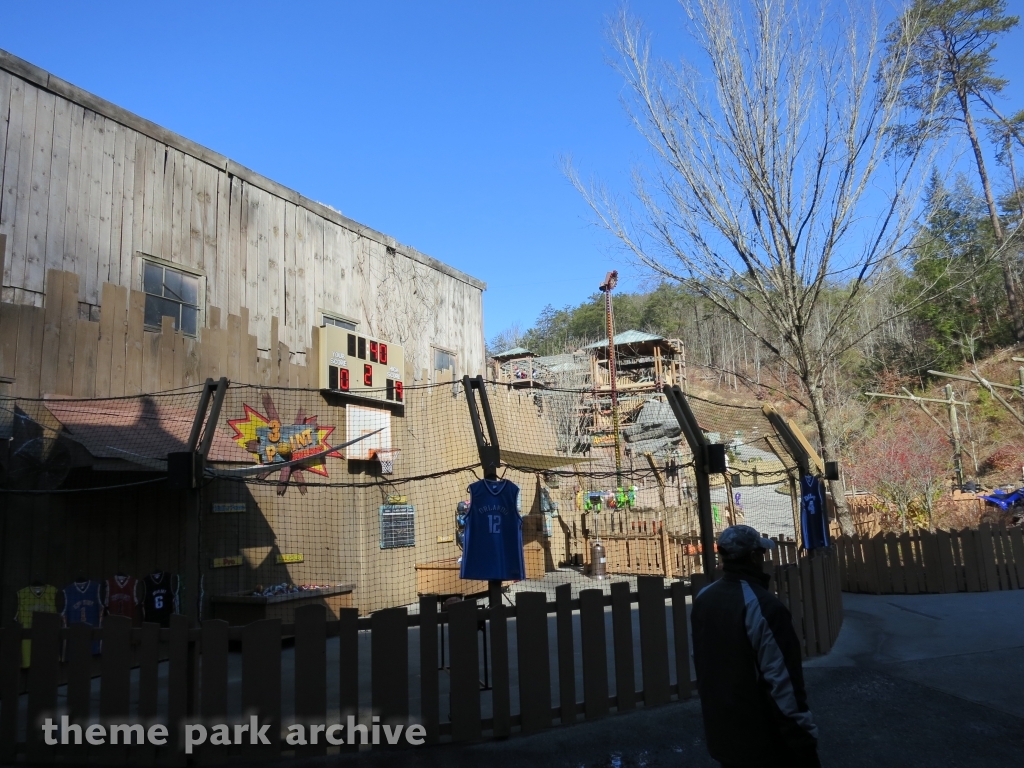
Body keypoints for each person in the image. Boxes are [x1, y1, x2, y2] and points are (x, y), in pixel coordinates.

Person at [691, 525, 820, 768]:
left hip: (720, 731)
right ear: (753, 557)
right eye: (761, 554)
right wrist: (803, 739)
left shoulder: (704, 598)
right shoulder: (764, 606)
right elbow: (782, 681)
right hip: (763, 739)